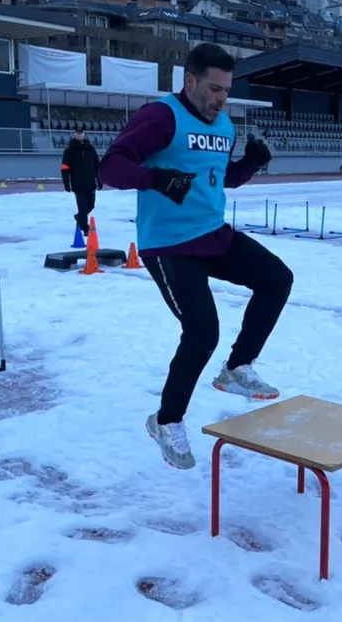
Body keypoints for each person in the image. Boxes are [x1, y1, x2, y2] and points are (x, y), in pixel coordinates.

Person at [98, 42, 293, 471]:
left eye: (226, 90)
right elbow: (109, 169)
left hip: (213, 234)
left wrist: (251, 164)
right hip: (168, 246)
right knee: (202, 332)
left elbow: (220, 179)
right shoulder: (161, 117)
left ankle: (237, 367)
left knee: (277, 278)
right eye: (214, 88)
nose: (221, 98)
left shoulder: (224, 126)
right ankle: (166, 421)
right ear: (189, 81)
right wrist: (155, 179)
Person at [61, 128, 102, 236]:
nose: (80, 136)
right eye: (78, 134)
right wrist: (66, 183)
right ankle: (85, 228)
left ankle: (79, 217)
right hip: (78, 184)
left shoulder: (91, 149)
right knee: (82, 207)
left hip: (90, 184)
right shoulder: (69, 150)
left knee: (91, 206)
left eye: (81, 134)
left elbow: (97, 166)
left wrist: (100, 180)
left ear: (84, 135)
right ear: (75, 135)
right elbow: (65, 168)